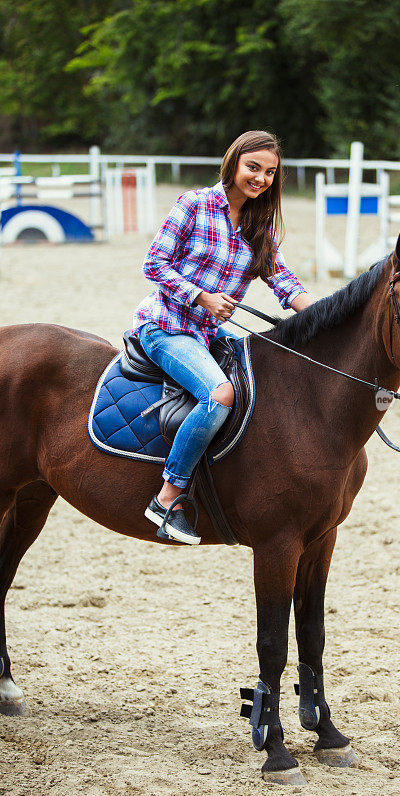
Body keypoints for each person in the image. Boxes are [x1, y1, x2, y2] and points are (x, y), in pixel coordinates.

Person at [132, 130, 313, 544]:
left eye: (269, 172)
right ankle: (168, 496)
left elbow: (282, 278)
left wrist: (322, 317)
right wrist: (203, 297)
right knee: (221, 395)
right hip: (167, 326)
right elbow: (154, 262)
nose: (261, 178)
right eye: (254, 167)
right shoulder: (194, 204)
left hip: (211, 331)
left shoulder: (258, 222)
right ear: (234, 163)